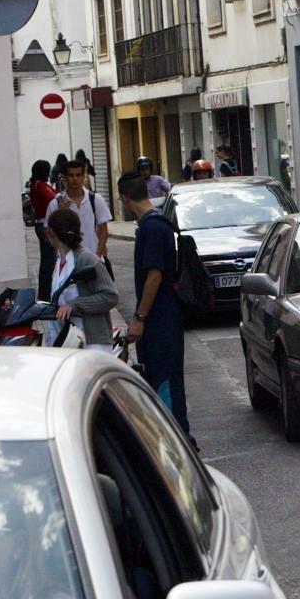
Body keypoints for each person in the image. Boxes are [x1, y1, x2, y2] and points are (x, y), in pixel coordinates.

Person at [119, 171, 192, 440]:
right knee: (162, 376)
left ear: (125, 199)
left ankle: (178, 441)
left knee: (165, 379)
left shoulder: (151, 228)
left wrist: (139, 317)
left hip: (160, 316)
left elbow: (154, 275)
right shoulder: (158, 223)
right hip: (164, 314)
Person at [47, 208, 118, 352]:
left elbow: (110, 296)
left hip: (92, 341)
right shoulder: (60, 259)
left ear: (50, 232)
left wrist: (74, 305)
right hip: (68, 340)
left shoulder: (86, 259)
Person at [44, 159, 113, 266]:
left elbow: (103, 231)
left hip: (94, 257)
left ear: (83, 176)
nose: (75, 179)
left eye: (78, 175)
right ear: (65, 177)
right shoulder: (55, 204)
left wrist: (97, 256)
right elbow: (48, 234)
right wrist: (59, 214)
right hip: (68, 262)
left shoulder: (95, 199)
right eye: (71, 175)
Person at [29, 160, 58, 301]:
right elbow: (53, 199)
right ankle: (45, 296)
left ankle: (44, 295)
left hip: (40, 224)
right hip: (45, 226)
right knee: (49, 262)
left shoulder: (35, 184)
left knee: (47, 262)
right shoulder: (40, 185)